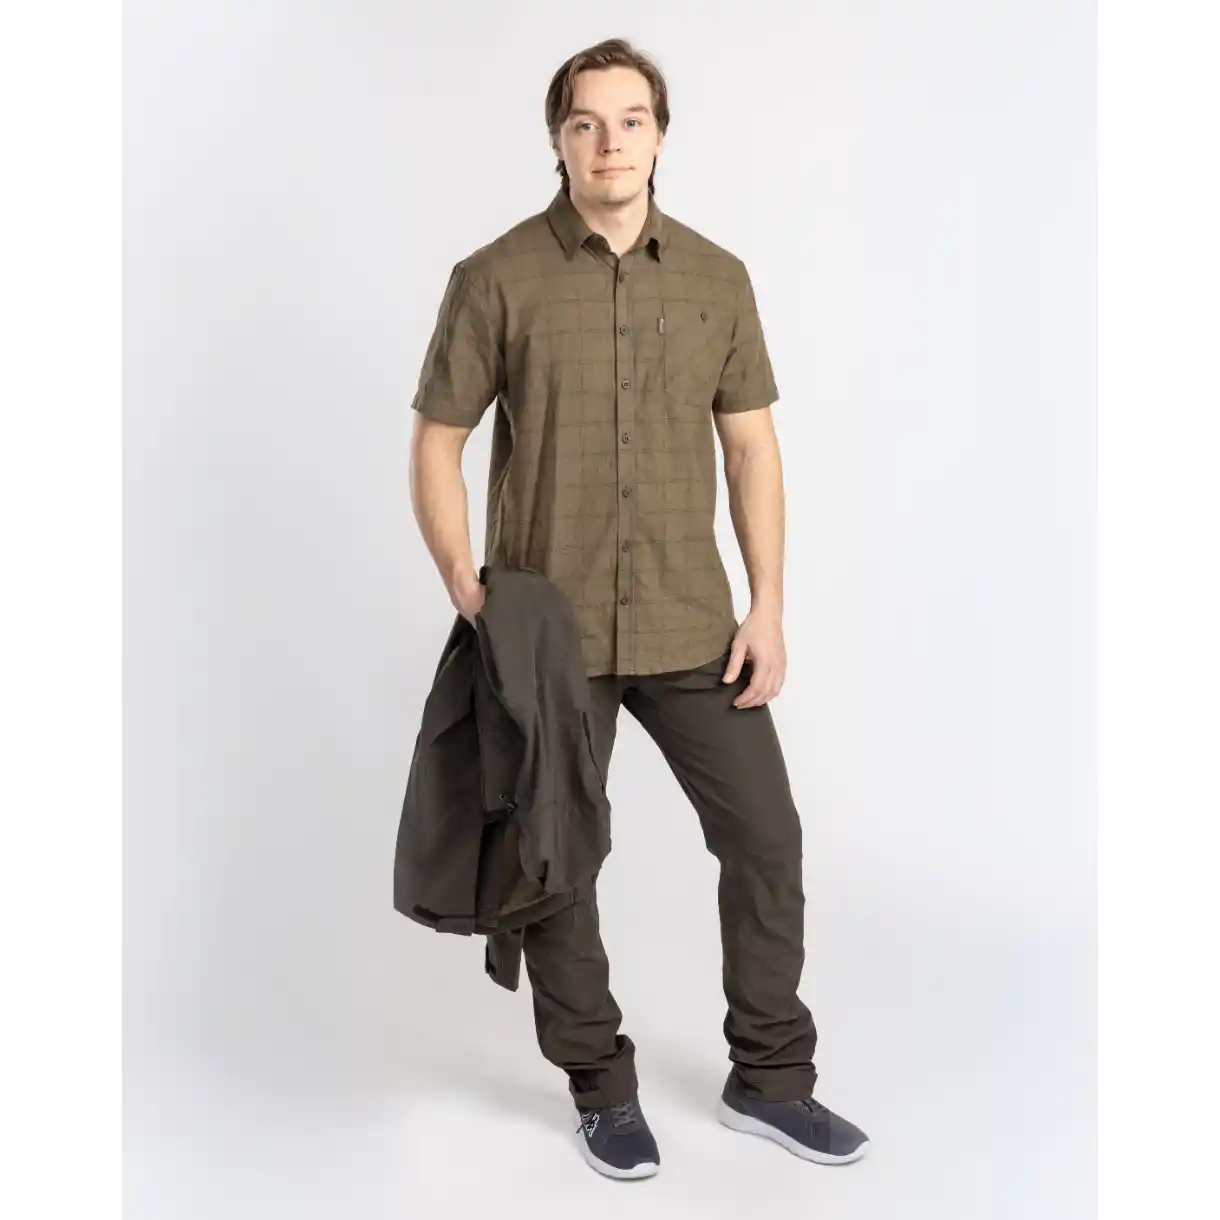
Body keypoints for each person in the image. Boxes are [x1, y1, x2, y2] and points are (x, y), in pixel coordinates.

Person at [407, 37, 869, 1181]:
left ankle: (770, 1078)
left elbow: (751, 448)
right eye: (585, 122)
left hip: (690, 618)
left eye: (630, 121)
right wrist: (466, 584)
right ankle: (599, 1088)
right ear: (557, 138)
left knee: (764, 835)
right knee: (557, 859)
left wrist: (767, 605)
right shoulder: (494, 275)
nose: (608, 143)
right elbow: (437, 439)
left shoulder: (716, 277)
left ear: (660, 136)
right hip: (545, 630)